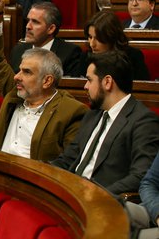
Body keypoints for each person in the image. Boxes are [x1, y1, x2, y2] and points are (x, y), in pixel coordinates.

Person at [0, 0, 87, 161]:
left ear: (47, 80)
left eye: (26, 72)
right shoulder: (14, 93)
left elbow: (68, 165)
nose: (16, 76)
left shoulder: (70, 111)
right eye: (20, 70)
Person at [52, 50, 159, 195]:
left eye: (89, 80)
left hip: (104, 204)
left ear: (107, 82)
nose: (85, 86)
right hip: (72, 193)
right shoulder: (92, 114)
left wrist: (98, 195)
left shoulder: (143, 121)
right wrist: (39, 170)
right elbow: (68, 159)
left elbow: (139, 176)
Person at [9, 2, 82, 77]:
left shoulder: (70, 53)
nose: (28, 26)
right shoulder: (18, 51)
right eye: (28, 21)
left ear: (51, 29)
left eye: (35, 22)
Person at [82, 10, 150, 81]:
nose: (92, 44)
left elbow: (143, 88)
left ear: (111, 37)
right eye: (90, 37)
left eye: (98, 38)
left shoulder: (132, 57)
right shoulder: (86, 57)